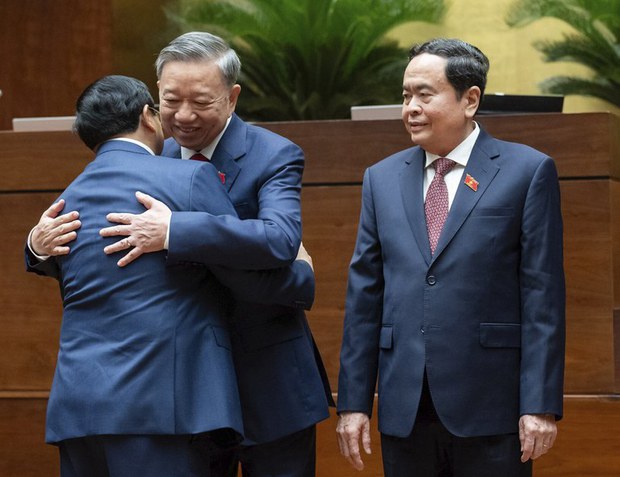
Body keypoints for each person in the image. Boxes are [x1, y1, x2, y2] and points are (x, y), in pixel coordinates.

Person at [30, 32, 333, 477]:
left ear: (232, 97)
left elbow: (279, 238)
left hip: (267, 378)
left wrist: (174, 230)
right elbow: (96, 233)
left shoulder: (274, 154)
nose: (184, 115)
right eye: (171, 100)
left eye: (201, 102)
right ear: (153, 100)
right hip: (181, 389)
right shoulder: (150, 152)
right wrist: (36, 246)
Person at [336, 38, 566, 477]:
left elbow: (543, 298)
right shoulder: (381, 178)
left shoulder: (527, 171)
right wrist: (353, 403)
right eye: (406, 96)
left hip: (491, 406)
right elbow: (364, 298)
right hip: (405, 407)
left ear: (470, 99)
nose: (411, 108)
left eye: (425, 95)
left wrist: (539, 404)